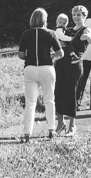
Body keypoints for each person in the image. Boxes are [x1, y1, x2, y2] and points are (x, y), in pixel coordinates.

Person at [17, 8, 63, 142]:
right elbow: (60, 53)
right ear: (45, 20)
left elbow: (21, 55)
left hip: (30, 69)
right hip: (46, 68)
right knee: (49, 100)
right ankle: (51, 130)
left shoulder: (26, 34)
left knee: (30, 103)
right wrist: (52, 58)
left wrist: (30, 57)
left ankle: (27, 133)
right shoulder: (51, 33)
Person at [55, 6, 91, 137]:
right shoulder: (67, 30)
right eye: (74, 14)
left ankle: (72, 125)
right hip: (61, 63)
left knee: (71, 93)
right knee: (58, 91)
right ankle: (60, 123)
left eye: (79, 15)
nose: (76, 17)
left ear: (84, 16)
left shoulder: (85, 29)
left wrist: (87, 37)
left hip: (75, 65)